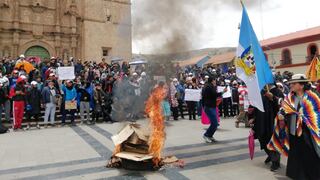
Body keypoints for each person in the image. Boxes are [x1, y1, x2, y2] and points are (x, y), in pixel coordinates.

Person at [268, 74, 320, 179]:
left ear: (301, 85)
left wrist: (304, 117)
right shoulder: (289, 97)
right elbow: (284, 109)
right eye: (291, 83)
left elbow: (316, 113)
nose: (290, 85)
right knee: (296, 156)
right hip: (294, 132)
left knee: (310, 156)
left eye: (293, 83)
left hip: (308, 133)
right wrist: (281, 115)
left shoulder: (312, 96)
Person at [251, 84, 283, 171]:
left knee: (272, 140)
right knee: (262, 138)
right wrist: (253, 118)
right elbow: (255, 106)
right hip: (261, 120)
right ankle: (270, 155)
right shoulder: (260, 92)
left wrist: (273, 98)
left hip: (272, 121)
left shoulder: (277, 91)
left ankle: (275, 162)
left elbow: (282, 106)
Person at [202, 77, 218, 143]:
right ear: (212, 80)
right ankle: (206, 135)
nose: (216, 81)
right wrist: (222, 92)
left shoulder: (210, 86)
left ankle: (210, 135)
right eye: (215, 80)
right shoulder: (208, 87)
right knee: (214, 123)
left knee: (215, 123)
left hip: (211, 106)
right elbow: (214, 95)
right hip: (209, 107)